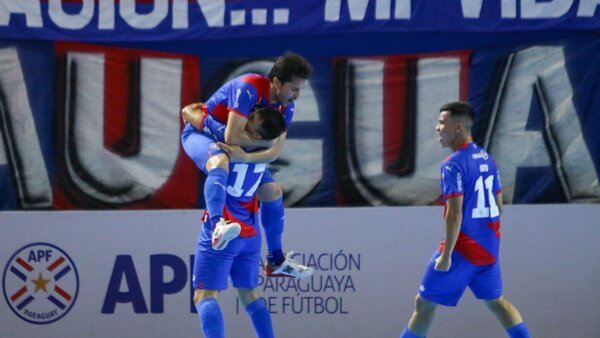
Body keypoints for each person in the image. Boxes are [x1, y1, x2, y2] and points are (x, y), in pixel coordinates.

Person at [399, 101, 530, 338]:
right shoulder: (488, 159)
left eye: (441, 122)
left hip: (463, 250)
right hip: (489, 248)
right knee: (496, 302)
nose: (437, 128)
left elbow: (455, 214)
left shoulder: (453, 164)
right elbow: (499, 206)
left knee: (424, 304)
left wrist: (447, 255)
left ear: (458, 127)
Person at [182, 52, 314, 279]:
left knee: (273, 192)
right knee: (219, 161)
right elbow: (232, 138)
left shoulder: (286, 107)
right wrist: (256, 146)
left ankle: (276, 260)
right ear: (276, 82)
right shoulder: (248, 88)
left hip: (239, 151)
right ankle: (217, 226)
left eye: (300, 89)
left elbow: (274, 152)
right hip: (201, 136)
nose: (297, 95)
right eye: (294, 89)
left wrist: (246, 158)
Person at [182, 106, 287, 338]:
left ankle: (219, 222)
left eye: (249, 118)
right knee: (250, 295)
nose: (243, 118)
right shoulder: (264, 154)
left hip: (224, 232)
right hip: (251, 234)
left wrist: (209, 123)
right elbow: (271, 192)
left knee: (204, 296)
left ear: (256, 133)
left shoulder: (229, 146)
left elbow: (188, 112)